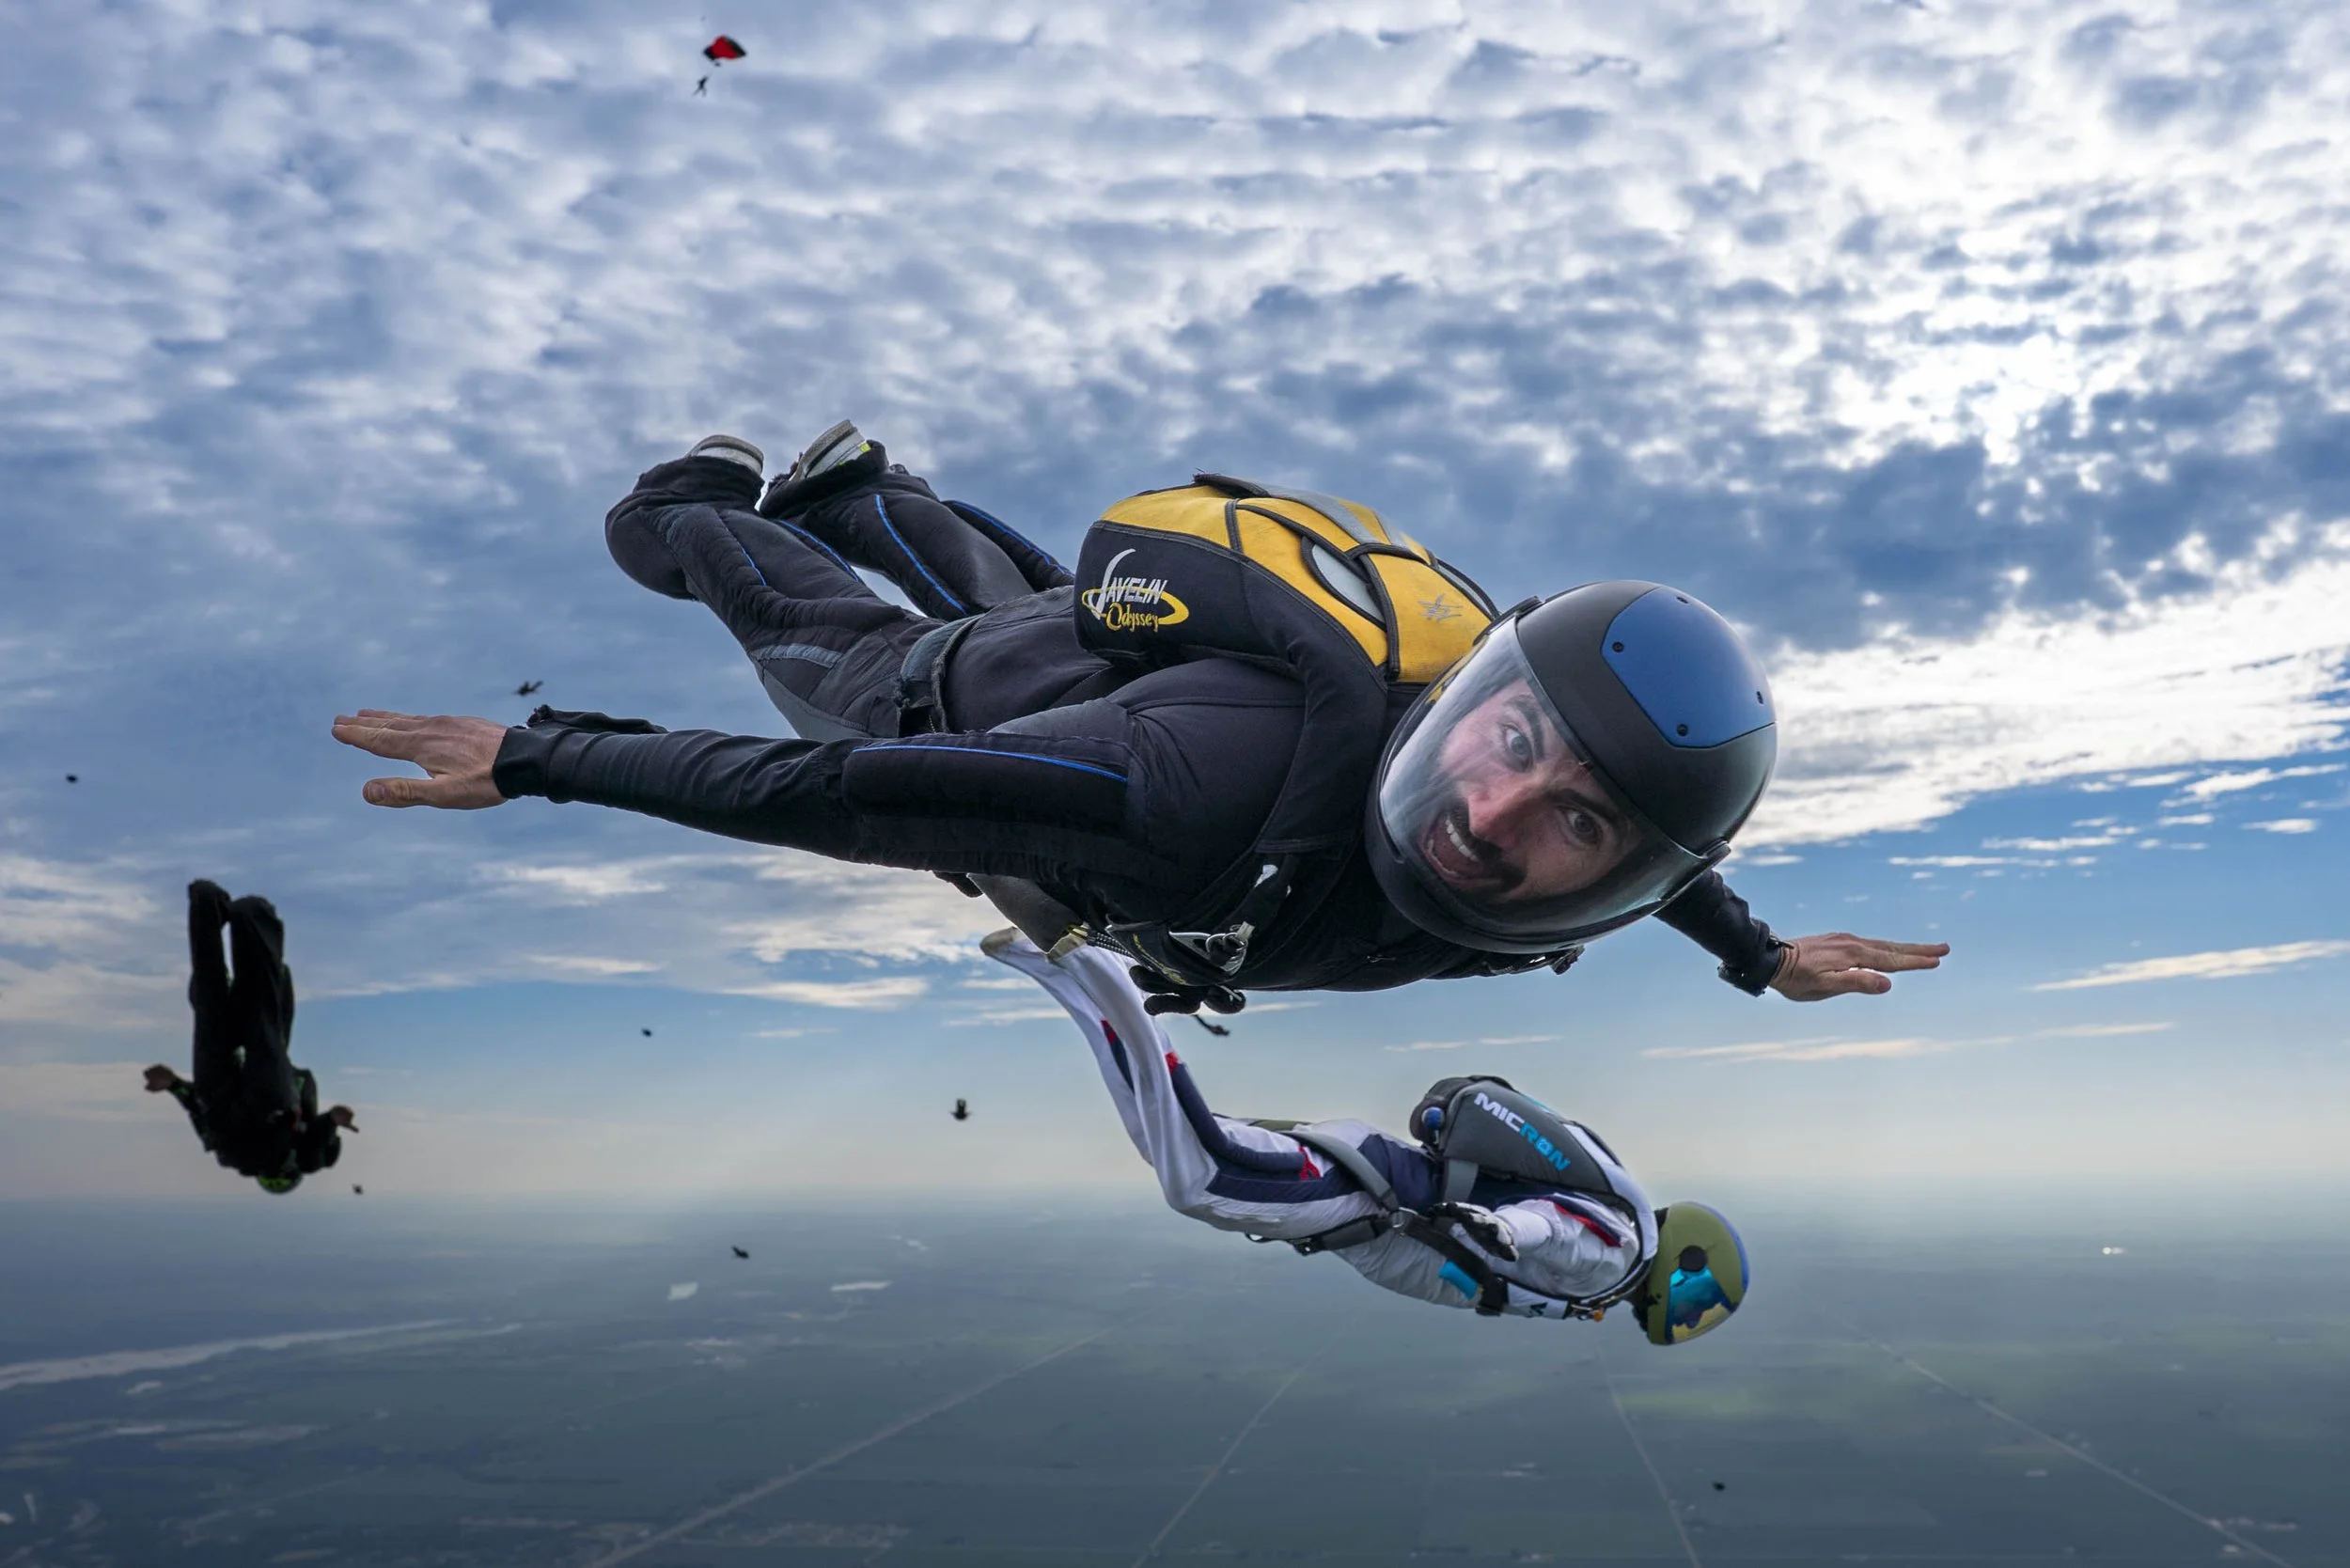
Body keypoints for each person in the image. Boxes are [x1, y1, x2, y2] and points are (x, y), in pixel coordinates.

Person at [332, 424, 1945, 1010]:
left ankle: (867, 489)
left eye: (1577, 827)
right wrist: (537, 754)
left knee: (1023, 611)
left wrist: (1756, 952)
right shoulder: (1176, 794)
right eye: (1522, 753)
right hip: (1011, 709)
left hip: (1111, 670)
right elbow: (818, 787)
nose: (1504, 819)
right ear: (1475, 704)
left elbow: (1652, 824)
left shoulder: (1533, 878)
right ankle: (690, 499)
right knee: (834, 638)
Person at [985, 925, 1744, 1339]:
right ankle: (1104, 972)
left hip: (1366, 1209)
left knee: (1168, 1145)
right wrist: (1505, 1230)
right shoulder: (1618, 1255)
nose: (1684, 1319)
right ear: (1681, 1260)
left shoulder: (1602, 1282)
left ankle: (1056, 969)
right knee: (1199, 1179)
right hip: (1371, 1193)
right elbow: (1558, 1226)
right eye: (1694, 1303)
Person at [144, 880, 354, 1193]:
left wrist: (332, 1122)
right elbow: (202, 1117)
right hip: (230, 1100)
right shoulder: (287, 1155)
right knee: (214, 1001)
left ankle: (241, 913)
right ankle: (211, 905)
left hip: (258, 1100)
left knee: (248, 1010)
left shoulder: (298, 1155)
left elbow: (315, 1142)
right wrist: (173, 1085)